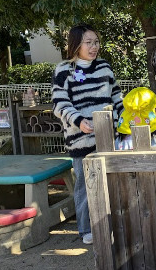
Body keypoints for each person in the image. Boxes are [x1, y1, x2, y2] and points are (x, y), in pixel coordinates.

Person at [52, 24, 123, 244]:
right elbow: (59, 103)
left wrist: (124, 120)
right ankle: (85, 229)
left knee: (111, 184)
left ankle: (111, 226)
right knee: (84, 186)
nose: (94, 47)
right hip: (80, 139)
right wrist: (78, 120)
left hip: (108, 137)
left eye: (96, 42)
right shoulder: (64, 70)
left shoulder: (104, 67)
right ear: (76, 44)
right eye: (88, 42)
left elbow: (117, 97)